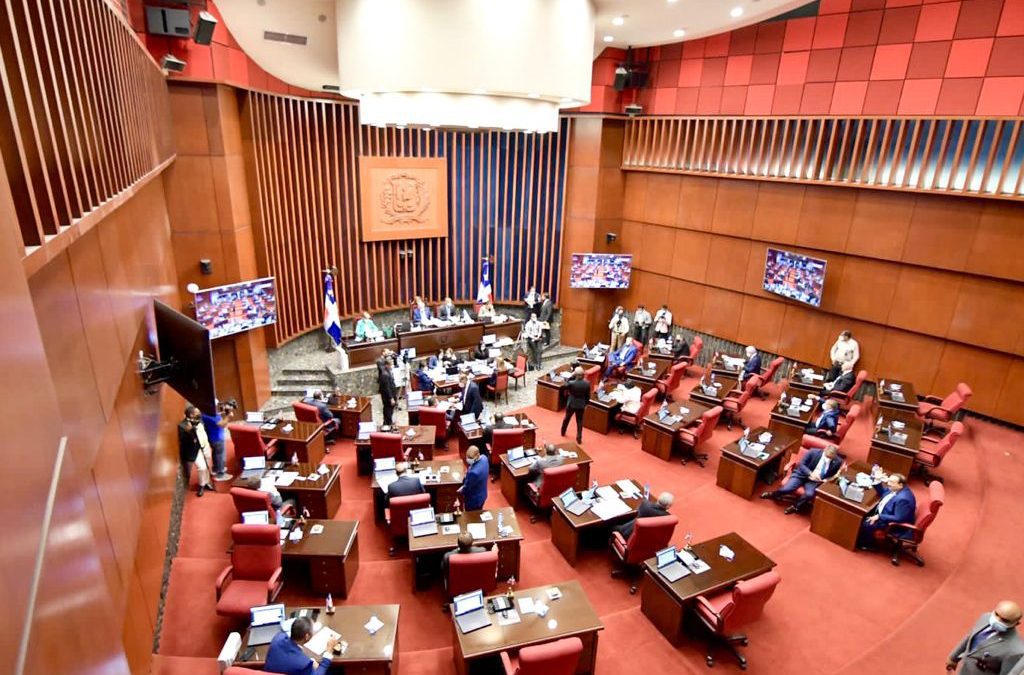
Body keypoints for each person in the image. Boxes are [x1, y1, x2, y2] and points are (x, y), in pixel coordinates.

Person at [760, 444, 843, 514]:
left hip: (814, 481)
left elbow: (832, 474)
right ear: (824, 451)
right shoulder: (813, 452)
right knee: (787, 488)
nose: (828, 459)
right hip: (802, 475)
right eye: (827, 457)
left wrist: (825, 479)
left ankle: (795, 507)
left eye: (830, 458)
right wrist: (810, 473)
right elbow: (801, 464)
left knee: (809, 494)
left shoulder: (837, 462)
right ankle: (773, 494)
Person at [947, 601, 1024, 674]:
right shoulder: (985, 618)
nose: (997, 620)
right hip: (965, 669)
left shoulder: (1016, 650)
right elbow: (969, 637)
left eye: (1004, 620)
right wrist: (953, 658)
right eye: (996, 614)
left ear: (1016, 623)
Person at [857, 472, 917, 549]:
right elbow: (883, 492)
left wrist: (879, 516)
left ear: (900, 485)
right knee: (863, 513)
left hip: (892, 523)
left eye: (891, 482)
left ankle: (868, 545)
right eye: (889, 480)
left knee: (866, 523)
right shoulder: (896, 489)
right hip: (886, 512)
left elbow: (899, 518)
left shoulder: (903, 499)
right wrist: (878, 480)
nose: (888, 483)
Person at [265, 616, 338, 675]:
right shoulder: (303, 663)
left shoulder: (277, 638)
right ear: (307, 636)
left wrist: (311, 662)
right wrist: (328, 652)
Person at [178, 405, 212, 497]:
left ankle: (207, 482)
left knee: (208, 465)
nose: (199, 413)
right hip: (195, 450)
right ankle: (201, 485)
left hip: (205, 446)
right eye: (197, 412)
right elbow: (184, 442)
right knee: (202, 467)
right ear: (191, 414)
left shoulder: (199, 420)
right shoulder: (183, 426)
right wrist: (190, 431)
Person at [201, 400, 234, 480]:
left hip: (213, 437)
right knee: (220, 456)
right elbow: (222, 424)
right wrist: (228, 416)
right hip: (217, 438)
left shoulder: (205, 413)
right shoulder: (212, 416)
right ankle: (220, 474)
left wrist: (224, 412)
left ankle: (216, 469)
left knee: (216, 454)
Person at [561, 366, 591, 444]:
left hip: (571, 404)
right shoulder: (587, 383)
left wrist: (571, 376)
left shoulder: (571, 383)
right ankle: (579, 438)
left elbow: (564, 385)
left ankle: (563, 432)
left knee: (567, 418)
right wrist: (586, 404)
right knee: (580, 422)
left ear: (576, 375)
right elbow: (588, 396)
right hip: (581, 405)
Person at [377, 352, 397, 427]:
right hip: (388, 397)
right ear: (387, 365)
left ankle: (388, 422)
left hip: (391, 395)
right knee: (388, 411)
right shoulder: (384, 374)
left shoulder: (387, 372)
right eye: (391, 364)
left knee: (389, 411)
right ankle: (387, 424)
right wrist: (391, 398)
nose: (392, 366)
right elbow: (387, 387)